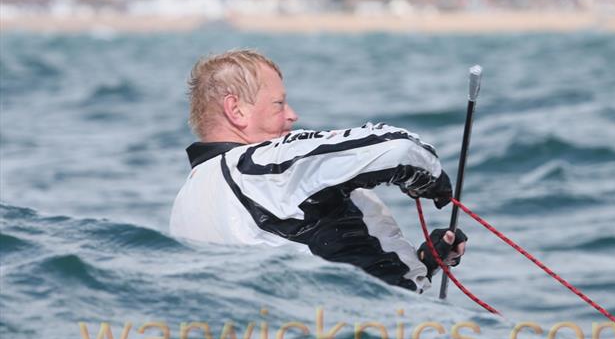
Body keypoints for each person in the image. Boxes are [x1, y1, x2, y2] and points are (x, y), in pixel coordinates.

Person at [170, 49, 467, 292]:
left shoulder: (186, 203)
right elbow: (401, 149)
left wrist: (424, 263)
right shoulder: (261, 165)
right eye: (278, 104)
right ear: (236, 110)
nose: (292, 115)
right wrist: (428, 180)